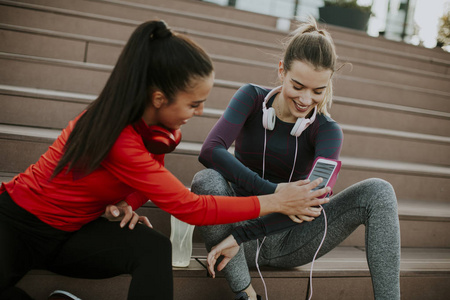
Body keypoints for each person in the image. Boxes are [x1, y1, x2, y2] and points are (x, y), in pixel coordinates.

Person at [0, 20, 332, 300]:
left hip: (74, 232)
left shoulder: (155, 131)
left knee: (153, 249)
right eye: (193, 104)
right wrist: (274, 199)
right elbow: (192, 207)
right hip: (18, 226)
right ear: (159, 98)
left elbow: (150, 178)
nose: (200, 112)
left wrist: (127, 203)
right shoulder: (120, 138)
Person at [191, 17, 401, 300]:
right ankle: (246, 293)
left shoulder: (327, 131)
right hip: (235, 229)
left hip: (289, 239)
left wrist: (247, 232)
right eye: (298, 86)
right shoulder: (251, 98)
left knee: (379, 191)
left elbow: (311, 204)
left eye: (318, 91)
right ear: (282, 71)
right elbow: (210, 150)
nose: (305, 99)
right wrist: (276, 194)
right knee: (206, 180)